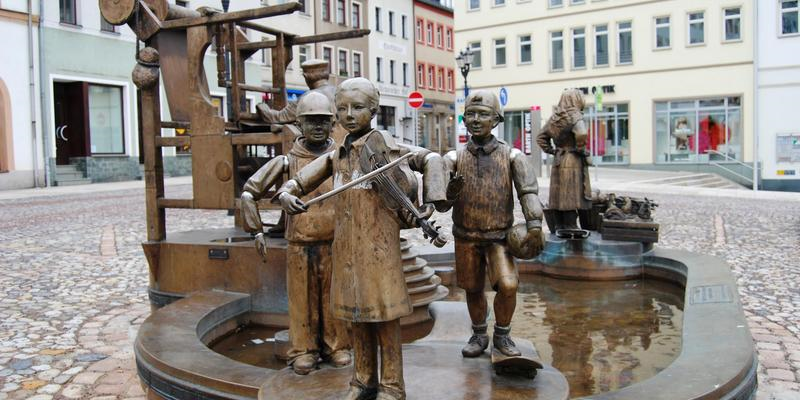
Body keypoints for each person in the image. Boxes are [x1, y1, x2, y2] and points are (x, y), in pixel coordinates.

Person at [274, 78, 447, 400]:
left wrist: (435, 197)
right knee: (356, 320)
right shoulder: (336, 154)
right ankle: (362, 381)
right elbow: (298, 181)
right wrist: (286, 193)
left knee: (385, 322)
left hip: (380, 253)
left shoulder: (389, 149)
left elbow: (432, 159)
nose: (348, 115)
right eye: (342, 108)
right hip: (348, 253)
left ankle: (392, 386)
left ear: (374, 110)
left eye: (357, 108)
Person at [240, 92, 351, 375]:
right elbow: (250, 192)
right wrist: (256, 231)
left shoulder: (342, 157)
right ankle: (303, 350)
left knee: (334, 297)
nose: (318, 127)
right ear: (299, 125)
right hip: (300, 243)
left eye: (324, 122)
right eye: (311, 122)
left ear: (332, 124)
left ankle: (337, 346)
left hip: (335, 242)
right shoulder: (288, 162)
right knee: (302, 300)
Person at [441, 90, 544, 358]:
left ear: (496, 119)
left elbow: (528, 192)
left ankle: (502, 334)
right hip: (466, 235)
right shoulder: (453, 158)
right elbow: (440, 202)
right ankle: (478, 334)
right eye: (471, 114)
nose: (476, 119)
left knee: (508, 285)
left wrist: (534, 225)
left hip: (500, 236)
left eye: (483, 114)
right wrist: (449, 191)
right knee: (473, 288)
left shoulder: (512, 156)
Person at [536, 88, 592, 231]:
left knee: (558, 193)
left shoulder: (554, 118)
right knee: (570, 193)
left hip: (558, 159)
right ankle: (571, 225)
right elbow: (581, 133)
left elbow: (541, 138)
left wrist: (552, 150)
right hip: (572, 158)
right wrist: (581, 149)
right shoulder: (575, 115)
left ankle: (558, 224)